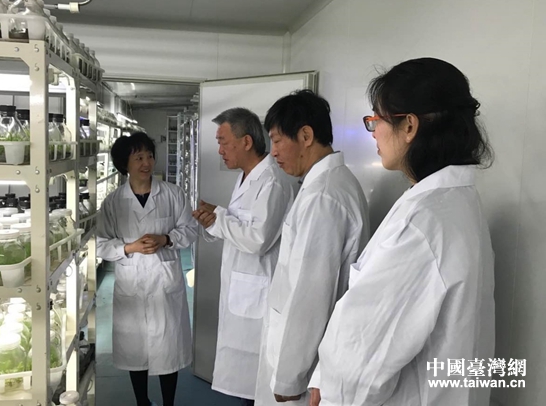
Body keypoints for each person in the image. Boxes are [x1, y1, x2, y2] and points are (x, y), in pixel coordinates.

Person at [308, 57, 495, 406]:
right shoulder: (454, 201)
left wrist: (332, 392)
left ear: (409, 126)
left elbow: (365, 354)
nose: (373, 132)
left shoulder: (423, 222)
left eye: (376, 120)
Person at [254, 90, 370, 405]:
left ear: (306, 135)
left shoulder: (324, 196)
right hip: (305, 355)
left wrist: (290, 376)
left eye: (277, 141)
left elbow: (311, 293)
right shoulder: (325, 185)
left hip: (305, 369)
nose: (273, 152)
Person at [193, 108, 294, 406]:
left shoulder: (273, 182)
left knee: (256, 386)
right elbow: (239, 225)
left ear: (246, 142)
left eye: (223, 142)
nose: (220, 150)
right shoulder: (246, 177)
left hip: (259, 296)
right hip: (243, 293)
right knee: (244, 386)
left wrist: (219, 219)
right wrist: (216, 218)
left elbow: (258, 239)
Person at [97, 132, 198, 406]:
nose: (146, 163)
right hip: (132, 281)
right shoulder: (113, 202)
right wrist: (130, 247)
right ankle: (142, 401)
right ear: (124, 164)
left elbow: (190, 230)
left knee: (168, 348)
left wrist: (166, 239)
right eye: (138, 157)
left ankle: (168, 403)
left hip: (164, 281)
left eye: (150, 156)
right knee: (135, 349)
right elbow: (101, 244)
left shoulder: (173, 194)